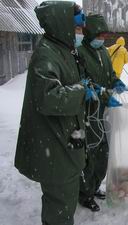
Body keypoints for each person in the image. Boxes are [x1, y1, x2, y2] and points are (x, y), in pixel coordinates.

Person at [14, 2, 89, 225]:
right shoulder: (46, 54)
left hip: (63, 141)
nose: (80, 33)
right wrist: (81, 91)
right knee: (59, 207)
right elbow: (48, 98)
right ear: (63, 25)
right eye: (76, 28)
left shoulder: (62, 49)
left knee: (64, 202)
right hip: (54, 145)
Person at [77, 14, 127, 212]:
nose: (102, 38)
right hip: (89, 113)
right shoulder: (79, 53)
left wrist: (117, 82)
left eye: (105, 35)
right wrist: (105, 95)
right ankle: (84, 193)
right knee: (90, 154)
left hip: (105, 113)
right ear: (89, 34)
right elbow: (84, 81)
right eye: (99, 35)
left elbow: (110, 75)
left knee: (104, 154)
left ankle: (94, 186)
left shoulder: (104, 52)